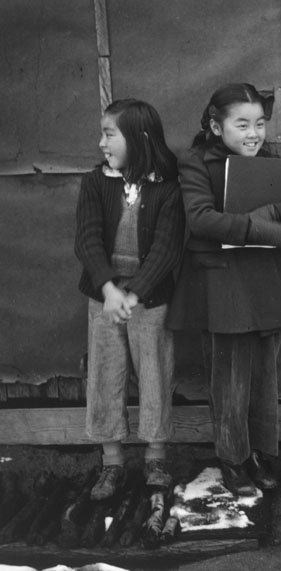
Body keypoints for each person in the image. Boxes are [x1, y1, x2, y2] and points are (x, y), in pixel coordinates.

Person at [167, 83, 281, 495]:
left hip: (265, 278)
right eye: (242, 124)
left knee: (264, 376)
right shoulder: (196, 162)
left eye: (260, 124)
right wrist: (263, 228)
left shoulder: (270, 163)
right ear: (216, 126)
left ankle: (260, 455)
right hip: (221, 283)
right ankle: (232, 458)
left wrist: (271, 212)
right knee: (230, 376)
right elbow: (201, 219)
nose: (254, 134)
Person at [74, 99, 185, 500]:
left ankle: (156, 456)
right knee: (105, 374)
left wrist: (134, 293)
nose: (101, 142)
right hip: (103, 299)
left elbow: (166, 248)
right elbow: (86, 239)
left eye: (109, 133)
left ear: (138, 139)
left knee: (155, 373)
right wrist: (108, 289)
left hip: (149, 298)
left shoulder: (167, 188)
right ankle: (112, 462)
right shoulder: (95, 182)